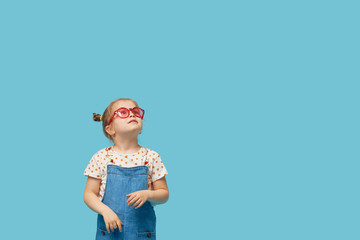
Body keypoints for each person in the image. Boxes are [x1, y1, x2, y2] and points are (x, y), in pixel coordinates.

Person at [83, 98, 169, 240]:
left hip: (141, 233)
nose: (131, 114)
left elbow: (164, 194)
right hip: (109, 232)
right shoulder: (100, 157)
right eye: (123, 112)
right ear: (110, 128)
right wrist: (105, 211)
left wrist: (148, 194)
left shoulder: (152, 157)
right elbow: (88, 194)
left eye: (135, 111)